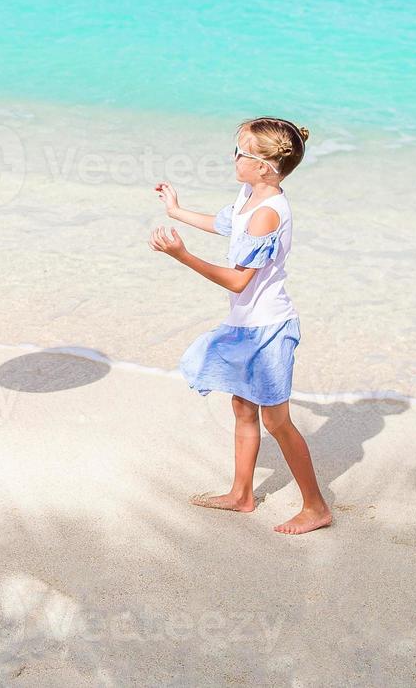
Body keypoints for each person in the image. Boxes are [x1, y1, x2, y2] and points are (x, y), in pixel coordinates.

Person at [150, 117, 332, 535]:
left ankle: (316, 507)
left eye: (241, 153)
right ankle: (242, 494)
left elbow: (237, 279)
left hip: (268, 329)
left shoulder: (268, 215)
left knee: (277, 421)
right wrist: (176, 210)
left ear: (266, 166)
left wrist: (181, 254)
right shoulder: (250, 195)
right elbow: (227, 223)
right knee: (241, 406)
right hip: (244, 324)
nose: (234, 158)